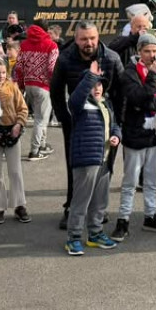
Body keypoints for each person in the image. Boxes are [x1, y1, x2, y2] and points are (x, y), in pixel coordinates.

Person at [51, 21, 124, 230]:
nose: (89, 43)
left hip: (105, 122)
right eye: (84, 39)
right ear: (76, 39)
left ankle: (97, 210)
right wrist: (65, 120)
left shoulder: (111, 58)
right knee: (76, 168)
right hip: (77, 122)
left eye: (92, 38)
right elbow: (56, 92)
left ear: (98, 36)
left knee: (104, 168)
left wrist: (117, 122)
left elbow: (121, 94)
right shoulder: (65, 59)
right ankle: (71, 208)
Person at [111, 34, 156, 240]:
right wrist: (151, 78)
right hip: (135, 132)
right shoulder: (130, 72)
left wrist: (153, 104)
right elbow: (138, 96)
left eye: (154, 51)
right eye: (147, 51)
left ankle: (150, 215)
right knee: (130, 180)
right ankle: (123, 220)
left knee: (152, 179)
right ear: (139, 52)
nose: (151, 55)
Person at [64, 61, 121, 256]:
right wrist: (89, 77)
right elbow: (75, 99)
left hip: (104, 159)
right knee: (81, 201)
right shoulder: (79, 104)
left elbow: (114, 125)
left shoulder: (106, 104)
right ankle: (73, 238)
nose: (97, 88)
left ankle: (95, 234)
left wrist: (116, 135)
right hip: (86, 160)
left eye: (100, 84)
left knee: (99, 201)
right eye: (93, 84)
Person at [0, 58, 29, 224]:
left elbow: (23, 108)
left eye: (3, 72)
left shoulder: (12, 87)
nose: (0, 76)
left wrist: (19, 124)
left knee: (15, 171)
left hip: (12, 132)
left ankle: (19, 205)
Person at [14, 20, 59, 161]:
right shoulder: (51, 45)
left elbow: (19, 67)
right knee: (40, 119)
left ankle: (43, 145)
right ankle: (34, 151)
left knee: (41, 117)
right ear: (46, 30)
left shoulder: (24, 44)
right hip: (44, 86)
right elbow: (52, 68)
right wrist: (54, 84)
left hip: (29, 84)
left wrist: (21, 84)